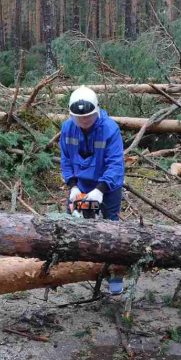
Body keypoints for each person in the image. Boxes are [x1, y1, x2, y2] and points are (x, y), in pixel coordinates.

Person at [59, 86, 125, 294]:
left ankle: (115, 275)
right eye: (79, 118)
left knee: (111, 229)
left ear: (96, 111)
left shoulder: (110, 129)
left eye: (88, 117)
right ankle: (74, 270)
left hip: (107, 185)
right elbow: (66, 160)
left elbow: (115, 164)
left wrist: (100, 189)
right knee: (72, 226)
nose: (84, 121)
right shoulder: (68, 129)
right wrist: (72, 186)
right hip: (81, 184)